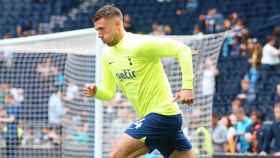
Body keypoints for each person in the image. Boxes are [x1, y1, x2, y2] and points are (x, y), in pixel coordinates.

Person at [84, 5, 195, 158]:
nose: (99, 34)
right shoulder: (107, 55)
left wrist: (187, 87)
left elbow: (183, 50)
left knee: (116, 156)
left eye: (102, 29)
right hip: (159, 119)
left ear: (117, 24)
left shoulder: (139, 44)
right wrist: (96, 91)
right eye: (97, 30)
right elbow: (109, 93)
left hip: (162, 114)